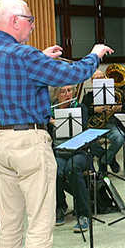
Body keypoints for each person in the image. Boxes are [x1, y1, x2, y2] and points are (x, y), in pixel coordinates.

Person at [0, 0, 113, 248]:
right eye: (30, 20)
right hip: (27, 142)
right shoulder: (24, 56)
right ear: (14, 21)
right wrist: (94, 54)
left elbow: (17, 75)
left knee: (9, 221)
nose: (33, 25)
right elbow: (74, 74)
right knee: (39, 220)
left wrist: (41, 59)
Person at [49, 85, 92, 232]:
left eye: (69, 91)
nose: (67, 94)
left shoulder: (80, 108)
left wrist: (57, 121)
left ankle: (83, 213)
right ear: (56, 94)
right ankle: (60, 207)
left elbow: (84, 128)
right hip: (60, 152)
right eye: (63, 91)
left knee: (72, 169)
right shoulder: (50, 111)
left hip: (80, 152)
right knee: (55, 171)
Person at [82, 69, 125, 173]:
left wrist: (119, 109)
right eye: (97, 79)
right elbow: (82, 112)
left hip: (111, 124)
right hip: (94, 126)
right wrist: (94, 109)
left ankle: (104, 161)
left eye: (102, 78)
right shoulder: (88, 97)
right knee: (87, 141)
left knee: (119, 138)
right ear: (92, 82)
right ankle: (109, 159)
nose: (100, 80)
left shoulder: (116, 95)